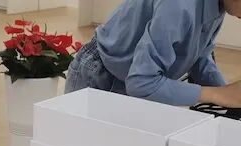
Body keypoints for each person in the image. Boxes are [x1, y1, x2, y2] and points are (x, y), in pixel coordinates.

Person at [65, 0, 241, 108]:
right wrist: (217, 94)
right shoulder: (180, 5)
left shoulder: (219, 6)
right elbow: (141, 82)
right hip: (102, 76)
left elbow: (199, 56)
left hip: (129, 77)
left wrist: (229, 95)